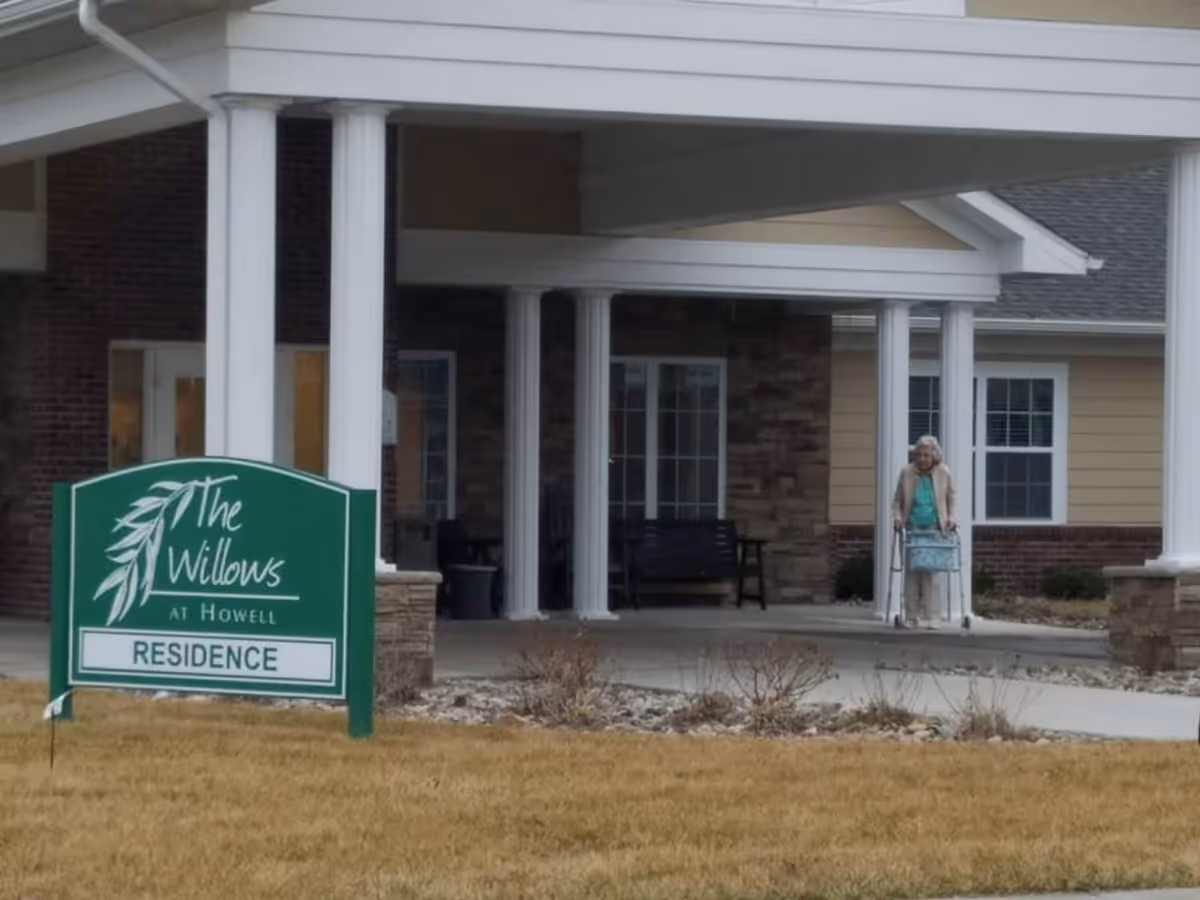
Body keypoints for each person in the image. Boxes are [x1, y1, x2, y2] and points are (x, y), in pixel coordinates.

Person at [892, 435, 957, 630]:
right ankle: (911, 616)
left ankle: (933, 617)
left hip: (934, 528)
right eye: (919, 454)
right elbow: (897, 501)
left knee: (931, 573)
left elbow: (951, 498)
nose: (922, 459)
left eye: (926, 455)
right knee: (911, 573)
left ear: (934, 456)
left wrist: (951, 518)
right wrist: (897, 517)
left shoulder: (944, 472)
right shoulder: (906, 472)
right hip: (912, 527)